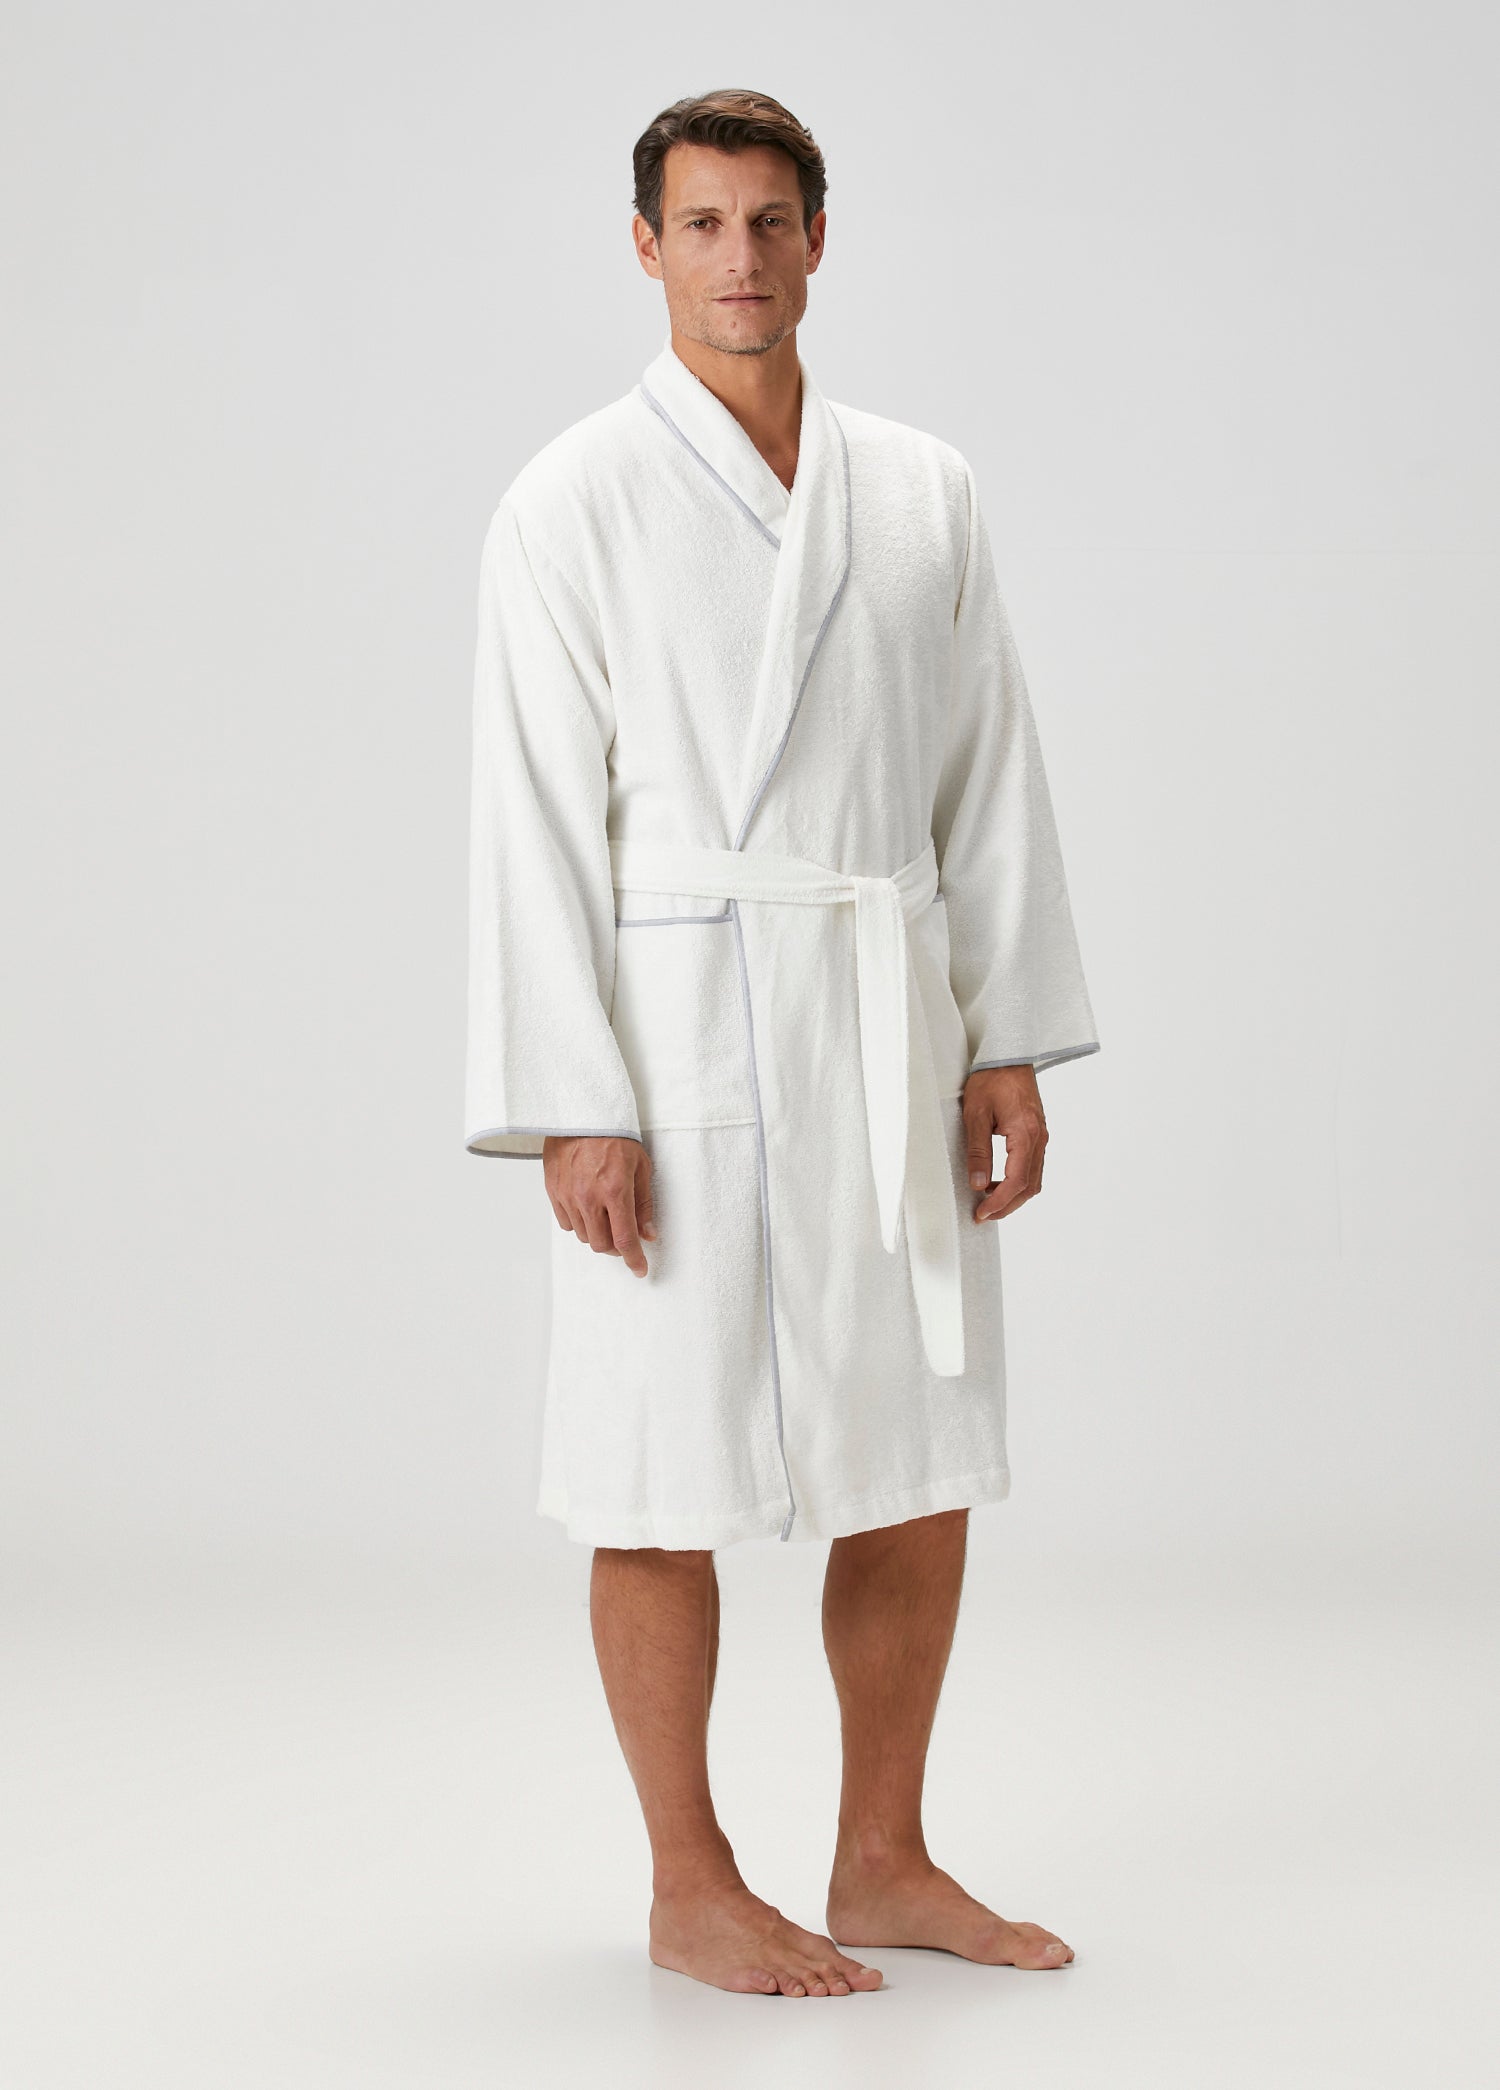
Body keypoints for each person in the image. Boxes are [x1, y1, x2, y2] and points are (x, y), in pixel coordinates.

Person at [464, 88, 1100, 1999]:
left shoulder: (920, 490)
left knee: (912, 1447)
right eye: (701, 222)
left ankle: (884, 1853)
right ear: (644, 247)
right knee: (658, 1462)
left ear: (821, 237)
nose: (738, 256)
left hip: (885, 1017)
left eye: (769, 220)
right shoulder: (570, 498)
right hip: (676, 1042)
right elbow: (529, 816)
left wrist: (1004, 1037)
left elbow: (984, 771)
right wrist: (573, 1100)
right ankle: (690, 1877)